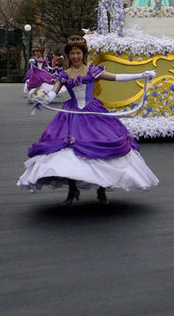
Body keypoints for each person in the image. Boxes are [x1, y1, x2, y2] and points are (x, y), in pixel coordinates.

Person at [17, 36, 159, 204]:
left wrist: (141, 75)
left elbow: (117, 77)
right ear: (68, 56)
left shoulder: (92, 70)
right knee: (67, 152)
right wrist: (41, 99)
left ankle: (102, 189)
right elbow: (53, 93)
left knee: (102, 147)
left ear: (83, 54)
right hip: (72, 115)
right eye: (72, 53)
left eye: (78, 53)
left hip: (93, 114)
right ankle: (72, 189)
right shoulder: (64, 74)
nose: (75, 56)